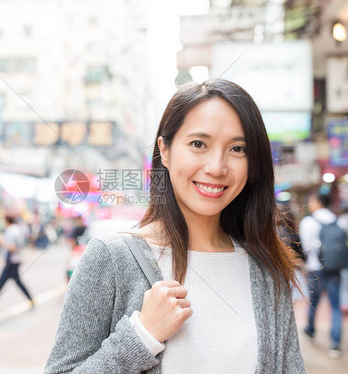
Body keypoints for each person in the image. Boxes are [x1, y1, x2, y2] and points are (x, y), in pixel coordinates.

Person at [45, 80, 305, 373]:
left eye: (237, 148)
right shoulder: (111, 258)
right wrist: (142, 336)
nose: (217, 167)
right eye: (198, 144)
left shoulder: (267, 269)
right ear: (164, 151)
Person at [299, 192, 345, 358]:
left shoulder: (308, 221)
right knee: (335, 306)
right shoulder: (337, 220)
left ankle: (310, 331)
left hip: (315, 268)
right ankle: (335, 344)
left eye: (311, 201)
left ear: (317, 202)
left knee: (313, 302)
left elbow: (305, 248)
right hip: (334, 269)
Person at [0, 215, 34, 309]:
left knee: (2, 282)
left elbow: (12, 248)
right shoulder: (17, 229)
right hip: (15, 261)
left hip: (11, 263)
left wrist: (0, 240)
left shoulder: (10, 231)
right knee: (9, 282)